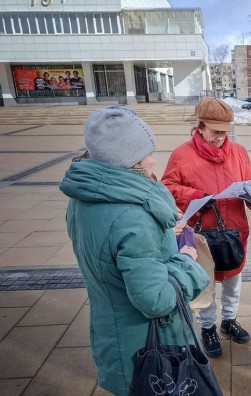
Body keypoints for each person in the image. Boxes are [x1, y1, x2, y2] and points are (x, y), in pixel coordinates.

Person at [59, 107, 210, 395]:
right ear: (129, 160)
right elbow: (157, 300)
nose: (154, 159)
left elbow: (109, 251)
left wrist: (163, 234)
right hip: (147, 344)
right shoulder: (133, 216)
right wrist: (187, 261)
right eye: (147, 153)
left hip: (112, 331)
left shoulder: (84, 197)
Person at [162, 97, 251, 358]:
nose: (220, 138)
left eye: (225, 132)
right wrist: (198, 195)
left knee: (233, 281)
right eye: (215, 132)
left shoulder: (238, 152)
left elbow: (249, 183)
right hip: (199, 234)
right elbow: (167, 187)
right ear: (200, 126)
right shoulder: (182, 154)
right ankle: (207, 327)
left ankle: (229, 320)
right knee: (204, 284)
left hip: (234, 230)